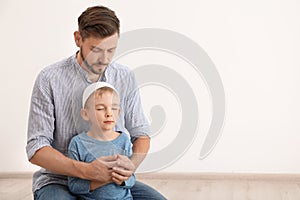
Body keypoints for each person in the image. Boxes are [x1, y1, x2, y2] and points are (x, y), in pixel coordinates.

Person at [26, 5, 166, 200]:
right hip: (59, 180)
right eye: (96, 50)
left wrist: (129, 167)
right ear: (78, 39)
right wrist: (87, 171)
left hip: (110, 182)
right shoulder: (49, 79)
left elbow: (141, 135)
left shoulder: (124, 76)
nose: (104, 59)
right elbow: (36, 148)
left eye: (111, 50)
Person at [68, 82, 135, 199]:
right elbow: (74, 186)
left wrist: (122, 180)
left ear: (118, 112)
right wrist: (101, 179)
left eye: (114, 108)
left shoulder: (124, 140)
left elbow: (132, 179)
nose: (109, 113)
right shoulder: (78, 143)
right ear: (85, 114)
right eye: (100, 108)